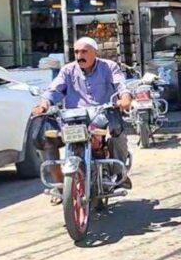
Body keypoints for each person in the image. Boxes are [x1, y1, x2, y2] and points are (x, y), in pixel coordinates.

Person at [32, 37, 133, 202]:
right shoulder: (67, 70)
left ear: (95, 52)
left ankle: (119, 172)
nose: (79, 56)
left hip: (102, 117)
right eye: (77, 52)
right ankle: (59, 184)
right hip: (72, 119)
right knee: (44, 137)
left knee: (118, 134)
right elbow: (53, 90)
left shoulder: (109, 67)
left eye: (84, 51)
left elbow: (121, 85)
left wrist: (125, 98)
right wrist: (43, 105)